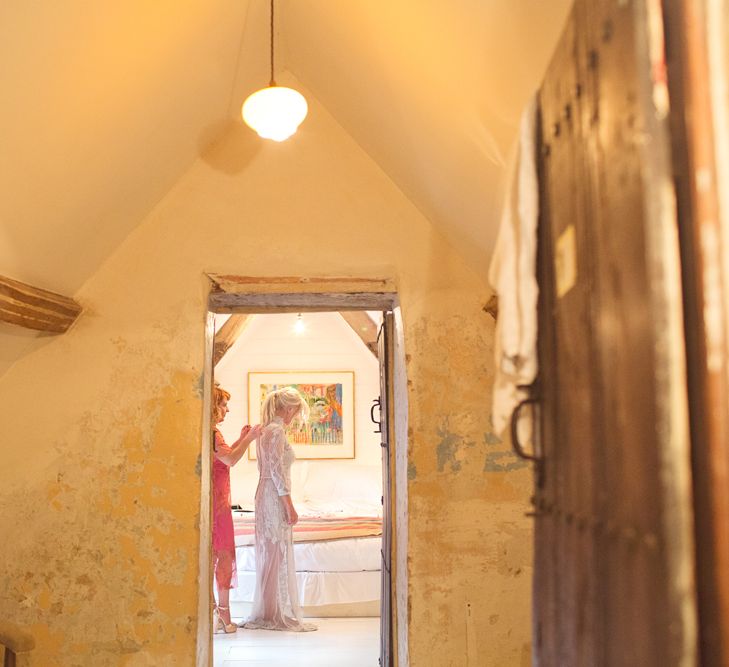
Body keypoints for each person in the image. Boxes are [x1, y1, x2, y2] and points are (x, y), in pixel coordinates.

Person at [243, 387, 317, 632]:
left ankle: (270, 611)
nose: (295, 416)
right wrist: (289, 505)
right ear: (287, 408)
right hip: (273, 497)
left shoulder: (267, 431)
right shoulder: (274, 432)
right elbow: (275, 472)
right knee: (274, 552)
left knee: (272, 553)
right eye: (295, 411)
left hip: (266, 494)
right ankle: (270, 615)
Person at [212, 385, 261, 634]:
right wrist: (250, 439)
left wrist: (242, 439)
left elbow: (223, 458)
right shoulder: (213, 434)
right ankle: (223, 615)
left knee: (214, 558)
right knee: (222, 558)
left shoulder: (212, 434)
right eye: (222, 404)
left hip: (216, 502)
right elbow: (230, 460)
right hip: (216, 506)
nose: (227, 409)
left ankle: (216, 614)